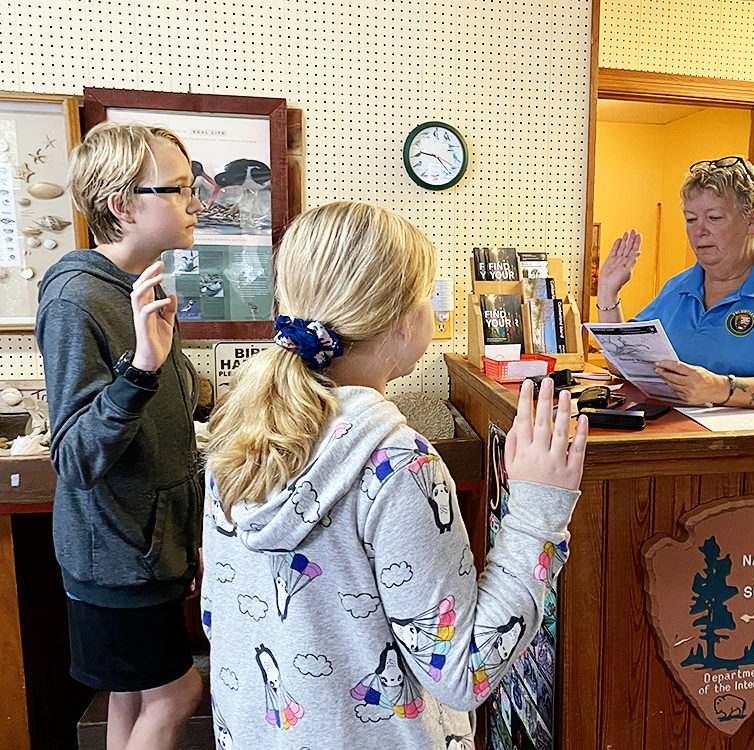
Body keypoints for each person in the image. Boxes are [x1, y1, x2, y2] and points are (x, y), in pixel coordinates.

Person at [201, 201, 588, 748]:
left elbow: (218, 617)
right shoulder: (398, 464)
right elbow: (463, 674)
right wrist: (535, 516)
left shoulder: (237, 436)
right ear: (404, 323)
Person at [36, 122, 205, 750]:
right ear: (121, 204)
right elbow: (76, 455)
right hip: (116, 555)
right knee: (179, 692)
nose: (197, 202)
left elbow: (166, 403)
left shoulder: (138, 287)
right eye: (179, 189)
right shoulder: (77, 297)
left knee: (134, 697)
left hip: (147, 549)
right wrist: (141, 368)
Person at [596, 156, 754, 414]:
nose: (699, 231)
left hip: (750, 447)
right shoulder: (679, 286)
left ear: (751, 220)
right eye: (691, 219)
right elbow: (622, 363)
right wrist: (608, 291)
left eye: (714, 217)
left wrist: (720, 388)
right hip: (673, 438)